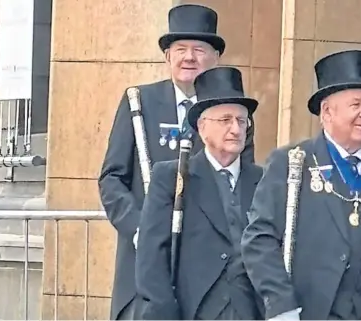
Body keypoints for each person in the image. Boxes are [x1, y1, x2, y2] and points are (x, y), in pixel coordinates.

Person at [98, 4, 254, 320]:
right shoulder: (138, 103)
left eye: (199, 49)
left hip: (208, 279)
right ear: (167, 56)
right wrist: (140, 227)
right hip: (145, 269)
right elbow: (112, 178)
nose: (189, 58)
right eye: (180, 49)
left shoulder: (234, 115)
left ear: (216, 58)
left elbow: (238, 185)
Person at [241, 50, 361, 320]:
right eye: (355, 104)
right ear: (327, 112)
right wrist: (281, 307)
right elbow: (258, 241)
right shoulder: (291, 164)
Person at [135, 66, 263, 320]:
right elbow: (152, 259)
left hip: (250, 311)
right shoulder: (172, 178)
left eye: (241, 120)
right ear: (203, 128)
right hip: (193, 310)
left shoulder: (263, 180)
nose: (236, 129)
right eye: (226, 120)